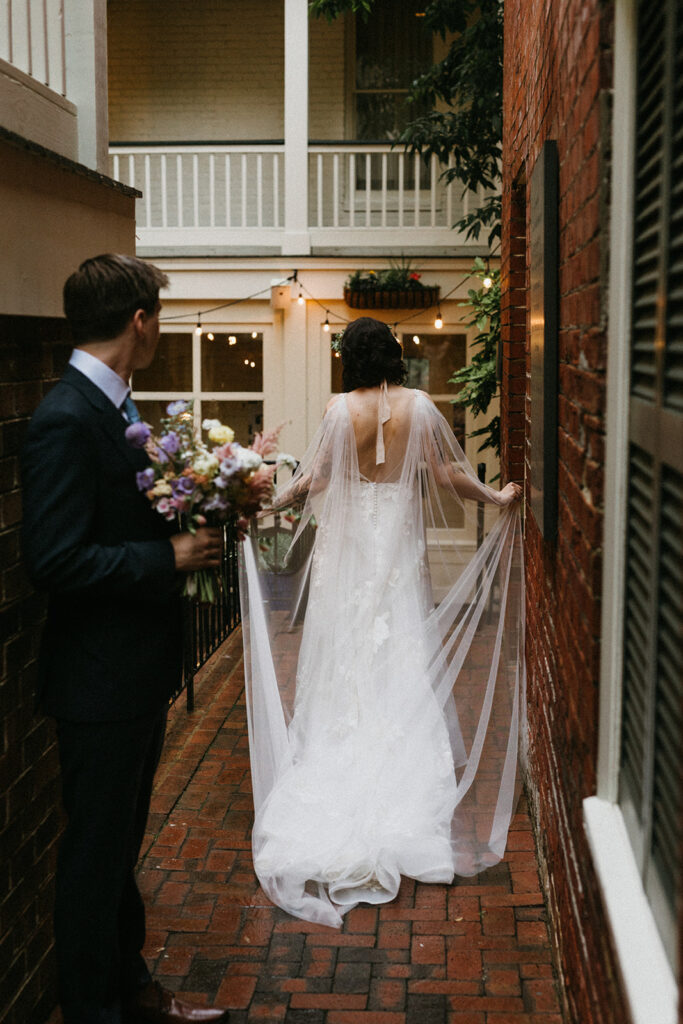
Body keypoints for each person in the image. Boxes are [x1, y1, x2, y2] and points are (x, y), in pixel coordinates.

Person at [239, 317, 524, 928]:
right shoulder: (420, 407)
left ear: (350, 359)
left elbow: (315, 480)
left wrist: (268, 500)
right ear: (393, 355)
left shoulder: (339, 409)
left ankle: (336, 771)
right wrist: (497, 498)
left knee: (344, 658)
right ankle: (406, 790)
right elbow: (448, 475)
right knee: (401, 651)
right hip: (395, 553)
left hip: (347, 556)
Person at [21, 254, 230, 1024]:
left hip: (134, 674)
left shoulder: (115, 408)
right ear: (140, 322)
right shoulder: (65, 417)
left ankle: (132, 990)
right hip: (97, 681)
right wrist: (165, 556)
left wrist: (196, 507)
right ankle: (93, 1009)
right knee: (94, 857)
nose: (158, 330)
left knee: (118, 853)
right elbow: (52, 557)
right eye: (159, 318)